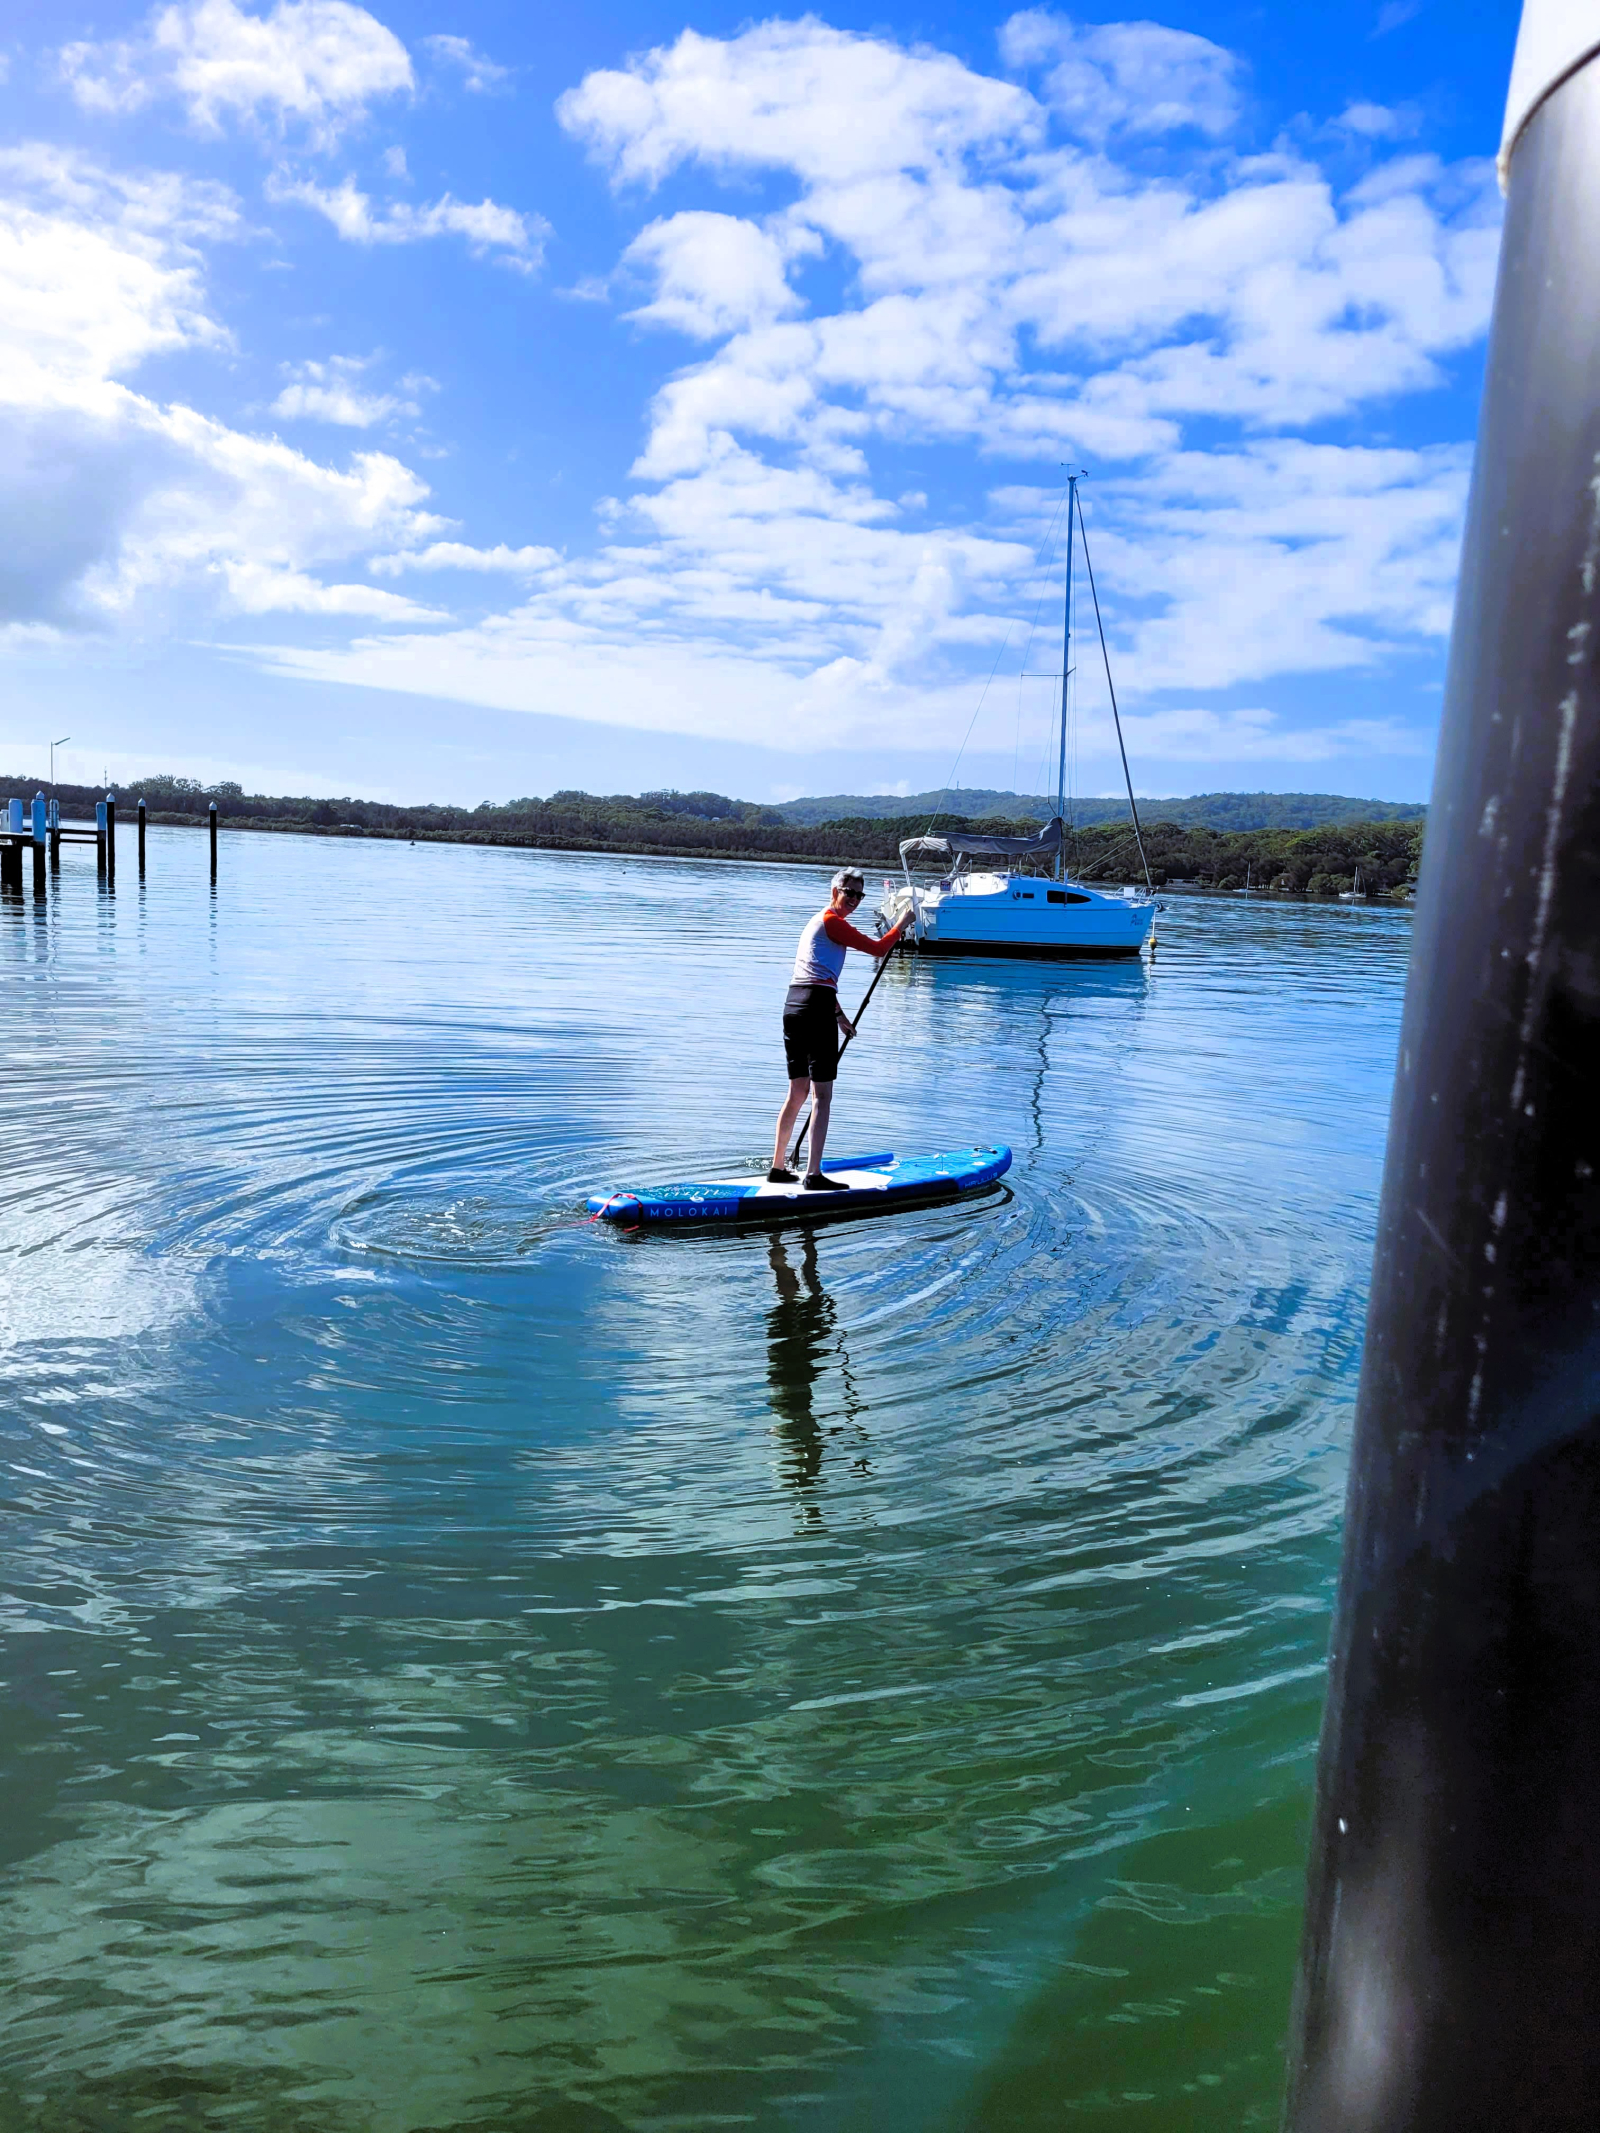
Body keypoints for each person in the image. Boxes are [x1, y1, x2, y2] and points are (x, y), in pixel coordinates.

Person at [771, 867, 913, 1190]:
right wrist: (902, 925)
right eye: (849, 892)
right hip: (814, 1008)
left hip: (794, 1007)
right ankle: (813, 1175)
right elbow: (878, 949)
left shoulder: (817, 922)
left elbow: (815, 978)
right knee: (822, 1096)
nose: (855, 900)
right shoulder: (833, 922)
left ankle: (777, 1168)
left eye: (860, 895)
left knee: (797, 1092)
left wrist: (839, 1016)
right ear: (834, 891)